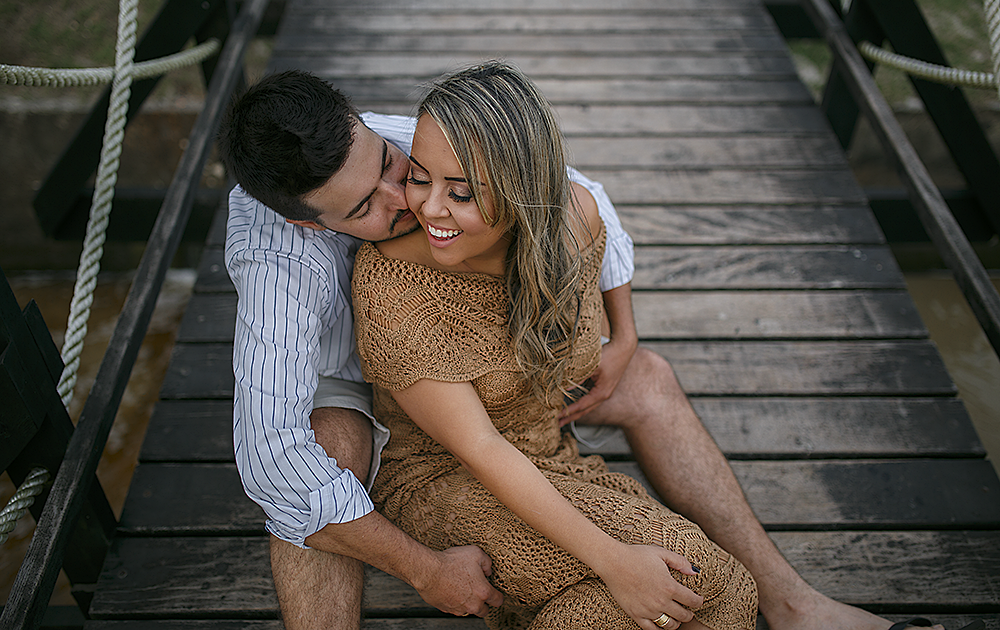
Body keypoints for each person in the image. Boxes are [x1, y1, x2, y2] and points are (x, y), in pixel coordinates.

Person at [218, 68, 945, 630]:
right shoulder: (284, 268)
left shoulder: (407, 147)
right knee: (326, 448)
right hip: (372, 399)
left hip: (512, 395)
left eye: (392, 167)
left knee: (650, 383)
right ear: (315, 225)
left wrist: (623, 334)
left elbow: (564, 186)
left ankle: (795, 605)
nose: (407, 198)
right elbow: (276, 460)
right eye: (367, 205)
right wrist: (424, 570)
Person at [351, 60, 758, 630]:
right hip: (445, 483)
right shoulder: (396, 288)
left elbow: (603, 249)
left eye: (461, 191)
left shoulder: (574, 222)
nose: (430, 208)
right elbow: (483, 449)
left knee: (686, 595)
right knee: (710, 583)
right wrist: (615, 560)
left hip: (551, 455)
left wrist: (626, 333)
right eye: (420, 178)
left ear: (523, 194)